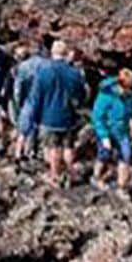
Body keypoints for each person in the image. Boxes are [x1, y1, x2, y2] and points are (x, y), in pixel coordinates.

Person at [19, 40, 87, 187]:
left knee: (53, 148)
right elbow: (81, 94)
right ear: (65, 53)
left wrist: (34, 119)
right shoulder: (74, 73)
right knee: (69, 146)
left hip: (49, 117)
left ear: (52, 53)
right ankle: (71, 173)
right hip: (68, 116)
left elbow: (35, 98)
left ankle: (54, 176)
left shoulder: (43, 72)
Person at [91, 68, 132, 199]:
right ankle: (96, 176)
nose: (126, 91)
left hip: (122, 133)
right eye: (124, 87)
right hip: (107, 132)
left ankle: (121, 187)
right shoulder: (106, 96)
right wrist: (104, 136)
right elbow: (97, 118)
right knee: (104, 155)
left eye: (129, 87)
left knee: (126, 156)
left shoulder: (131, 97)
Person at [13, 45, 49, 159]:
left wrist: (18, 103)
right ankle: (32, 151)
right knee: (38, 127)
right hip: (43, 102)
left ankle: (19, 153)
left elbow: (18, 89)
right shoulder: (48, 65)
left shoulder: (24, 66)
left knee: (24, 128)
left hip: (29, 100)